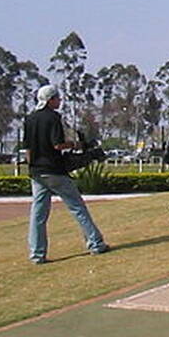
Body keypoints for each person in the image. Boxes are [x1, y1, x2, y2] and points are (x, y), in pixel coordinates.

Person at [22, 85, 109, 264]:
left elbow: (28, 150)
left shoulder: (29, 119)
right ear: (50, 100)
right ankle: (96, 243)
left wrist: (32, 169)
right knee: (77, 207)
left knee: (38, 215)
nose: (59, 101)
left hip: (37, 172)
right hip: (54, 170)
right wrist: (77, 145)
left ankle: (37, 254)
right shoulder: (53, 118)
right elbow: (57, 145)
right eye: (57, 98)